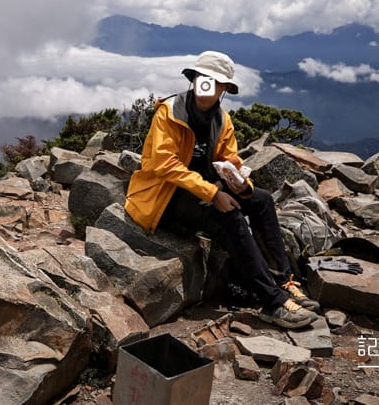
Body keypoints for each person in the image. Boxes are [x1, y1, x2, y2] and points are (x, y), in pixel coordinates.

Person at [124, 50, 321, 329]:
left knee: (261, 200)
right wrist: (213, 194)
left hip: (201, 189)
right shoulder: (169, 113)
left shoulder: (221, 120)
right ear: (194, 79)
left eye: (218, 83)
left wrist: (241, 184)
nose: (211, 87)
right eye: (207, 79)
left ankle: (283, 280)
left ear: (225, 89)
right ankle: (273, 302)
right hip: (164, 195)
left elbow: (230, 160)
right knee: (228, 217)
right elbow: (163, 165)